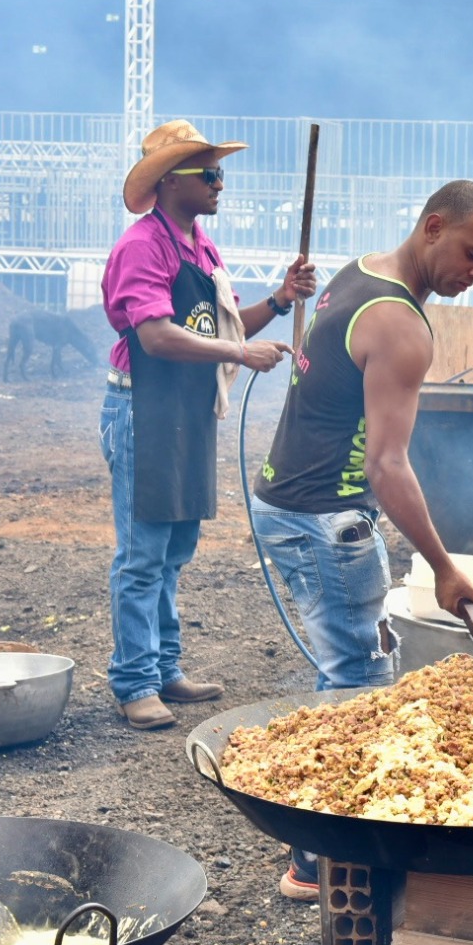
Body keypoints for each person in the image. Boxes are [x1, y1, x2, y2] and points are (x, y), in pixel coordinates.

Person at [251, 180, 473, 899]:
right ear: (433, 227)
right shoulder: (401, 326)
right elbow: (389, 468)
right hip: (325, 517)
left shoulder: (360, 271)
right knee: (358, 686)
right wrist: (444, 568)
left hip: (286, 502)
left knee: (347, 671)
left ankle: (318, 849)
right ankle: (317, 861)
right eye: (472, 254)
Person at [101, 120, 313, 731]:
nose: (221, 184)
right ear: (172, 181)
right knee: (142, 554)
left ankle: (165, 668)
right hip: (142, 409)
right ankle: (134, 681)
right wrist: (239, 354)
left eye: (220, 173)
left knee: (173, 550)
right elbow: (157, 335)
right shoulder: (144, 246)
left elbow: (221, 326)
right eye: (210, 174)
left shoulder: (199, 245)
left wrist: (277, 301)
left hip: (184, 413)